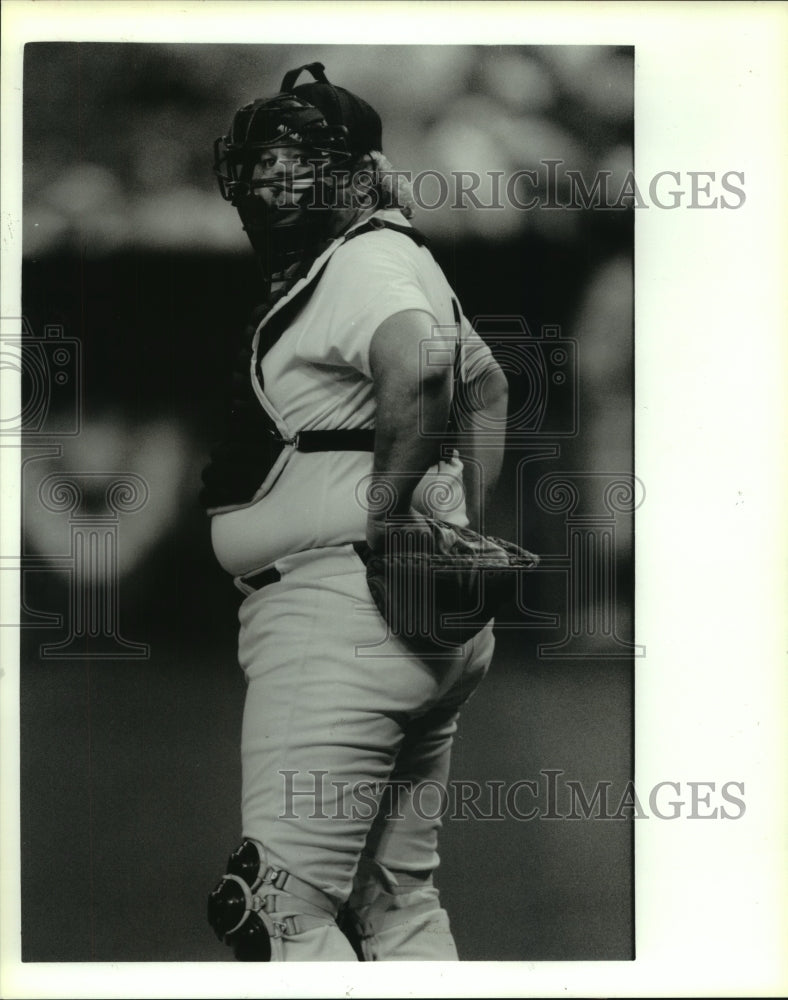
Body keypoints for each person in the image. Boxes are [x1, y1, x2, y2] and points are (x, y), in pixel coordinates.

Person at [201, 61, 509, 961]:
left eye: (299, 163)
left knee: (275, 911)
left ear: (361, 174)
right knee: (394, 905)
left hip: (342, 608)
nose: (275, 182)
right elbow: (485, 389)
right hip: (398, 617)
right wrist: (459, 527)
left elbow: (423, 370)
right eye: (263, 165)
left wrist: (389, 521)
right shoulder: (397, 252)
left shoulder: (362, 259)